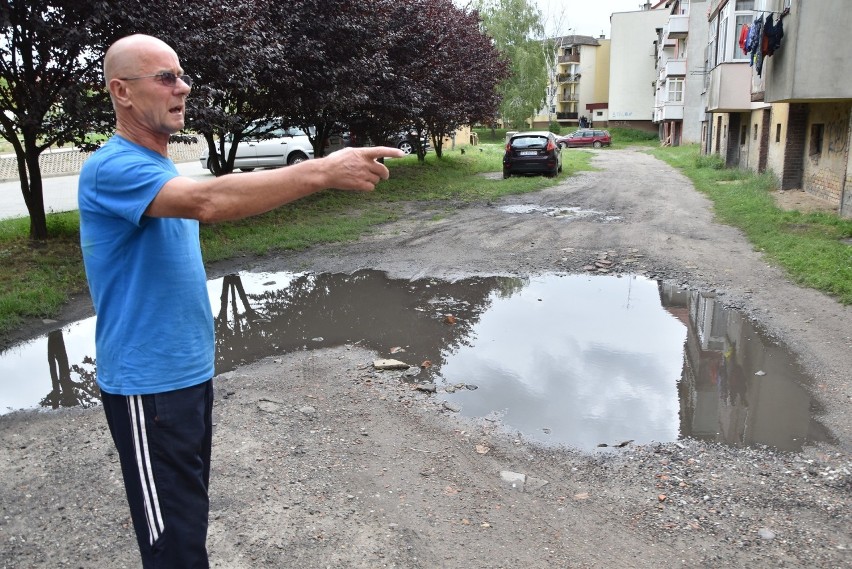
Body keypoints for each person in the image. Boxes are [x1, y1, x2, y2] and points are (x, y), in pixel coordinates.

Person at [78, 34, 404, 568]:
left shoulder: (157, 166)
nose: (182, 87)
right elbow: (211, 200)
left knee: (188, 522)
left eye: (182, 76)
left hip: (185, 376)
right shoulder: (112, 168)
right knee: (173, 547)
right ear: (122, 92)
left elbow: (217, 196)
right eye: (165, 78)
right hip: (147, 385)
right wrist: (322, 170)